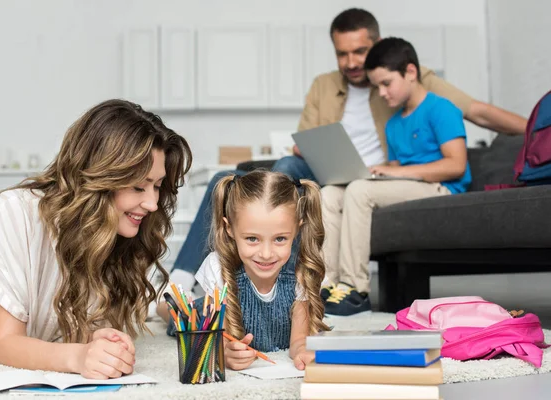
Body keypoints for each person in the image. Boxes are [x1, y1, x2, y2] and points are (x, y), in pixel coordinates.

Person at [168, 8, 527, 295]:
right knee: (226, 180)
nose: (352, 62)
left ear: (379, 45)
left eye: (360, 51)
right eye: (343, 54)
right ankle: (181, 283)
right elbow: (303, 140)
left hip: (376, 175)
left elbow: (476, 111)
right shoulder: (324, 85)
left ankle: (283, 286)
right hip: (322, 169)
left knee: (322, 192)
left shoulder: (405, 79)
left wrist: (537, 129)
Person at [0, 99, 192, 379]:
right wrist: (78, 357)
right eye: (139, 186)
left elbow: (147, 297)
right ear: (99, 177)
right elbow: (4, 343)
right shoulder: (16, 209)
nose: (152, 203)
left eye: (158, 187)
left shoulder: (124, 228)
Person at [321, 37, 472, 316]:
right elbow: (395, 169)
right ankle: (327, 284)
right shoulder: (393, 123)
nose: (381, 93)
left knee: (360, 190)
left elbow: (457, 165)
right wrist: (378, 172)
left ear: (411, 73)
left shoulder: (442, 109)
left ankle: (354, 289)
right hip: (408, 186)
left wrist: (394, 171)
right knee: (329, 193)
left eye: (386, 83)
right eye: (377, 86)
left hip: (441, 188)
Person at [159, 171, 328, 371]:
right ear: (229, 228)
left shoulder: (300, 271)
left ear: (297, 230)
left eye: (280, 239)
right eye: (252, 239)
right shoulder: (218, 266)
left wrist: (303, 351)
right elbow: (216, 334)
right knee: (180, 315)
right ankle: (161, 303)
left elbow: (299, 339)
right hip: (202, 314)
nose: (266, 254)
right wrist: (224, 351)